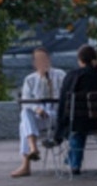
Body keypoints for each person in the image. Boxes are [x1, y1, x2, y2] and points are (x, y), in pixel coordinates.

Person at [54, 44, 97, 176]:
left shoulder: (73, 76)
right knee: (79, 124)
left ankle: (75, 164)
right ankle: (71, 160)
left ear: (80, 60)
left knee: (77, 128)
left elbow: (63, 102)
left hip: (79, 123)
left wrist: (59, 127)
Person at [11, 45, 64, 178]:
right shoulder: (30, 79)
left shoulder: (60, 75)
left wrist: (49, 84)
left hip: (56, 116)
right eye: (38, 60)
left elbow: (64, 98)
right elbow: (26, 101)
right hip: (39, 118)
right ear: (34, 63)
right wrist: (37, 108)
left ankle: (26, 163)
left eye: (44, 58)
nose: (42, 62)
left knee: (23, 125)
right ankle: (33, 148)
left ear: (48, 59)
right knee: (25, 114)